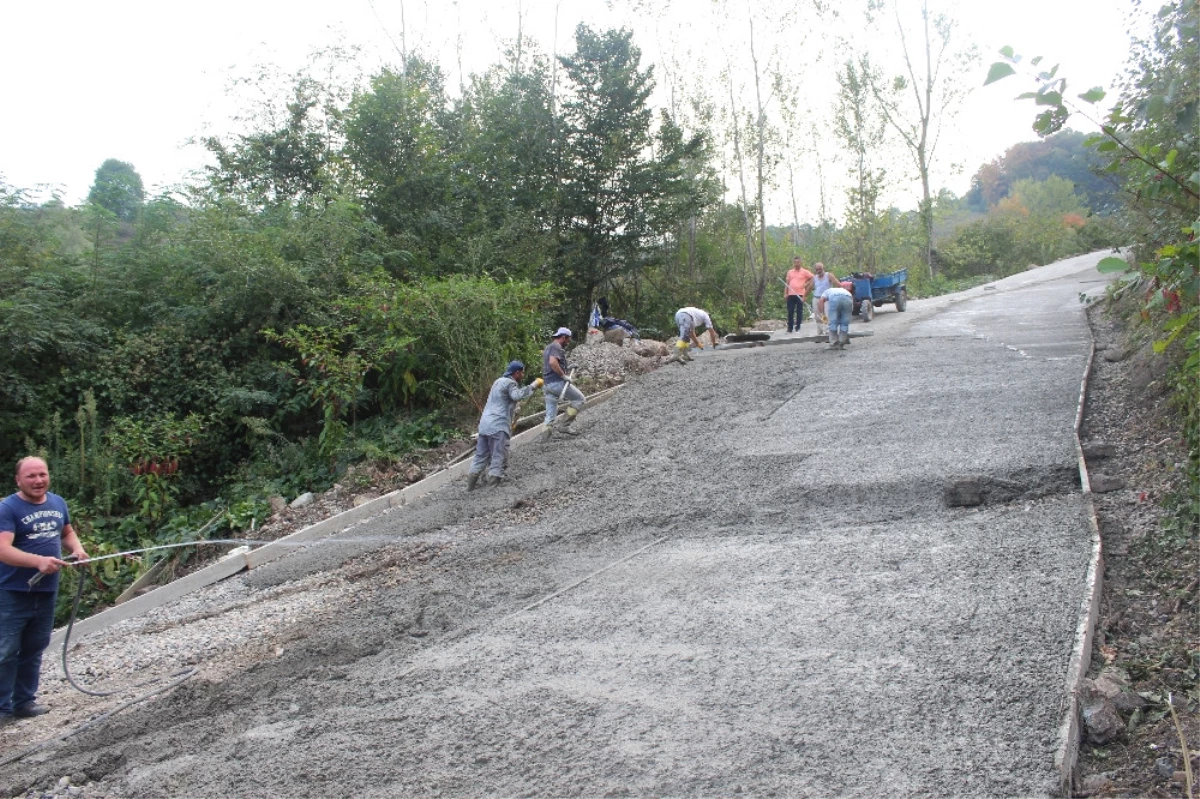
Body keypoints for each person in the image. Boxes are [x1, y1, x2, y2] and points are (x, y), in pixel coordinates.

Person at [0, 457, 88, 723]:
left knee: (35, 646)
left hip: (46, 591)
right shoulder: (8, 508)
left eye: (42, 475)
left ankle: (24, 702)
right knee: (5, 650)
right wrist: (38, 561)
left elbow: (67, 532)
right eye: (31, 476)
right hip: (12, 592)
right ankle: (2, 709)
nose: (38, 481)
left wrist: (78, 549)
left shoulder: (57, 503)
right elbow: (3, 550)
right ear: (18, 480)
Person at [467, 362, 543, 489]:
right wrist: (534, 385)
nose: (523, 375)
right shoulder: (510, 383)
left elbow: (503, 402)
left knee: (480, 456)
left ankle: (470, 487)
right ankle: (493, 486)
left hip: (485, 425)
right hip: (498, 425)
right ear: (517, 373)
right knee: (498, 455)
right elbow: (517, 395)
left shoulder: (498, 381)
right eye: (522, 373)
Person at [542, 327, 586, 439]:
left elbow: (553, 364)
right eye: (568, 340)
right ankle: (564, 426)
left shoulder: (548, 347)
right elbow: (553, 362)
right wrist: (563, 376)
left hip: (548, 385)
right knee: (580, 399)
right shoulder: (556, 346)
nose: (568, 342)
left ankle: (544, 440)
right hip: (557, 383)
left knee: (550, 414)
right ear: (563, 337)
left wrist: (567, 368)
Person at [806, 263, 841, 336]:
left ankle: (828, 332)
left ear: (823, 268)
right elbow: (809, 288)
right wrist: (804, 296)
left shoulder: (829, 275)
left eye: (820, 269)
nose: (819, 271)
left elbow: (838, 284)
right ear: (815, 270)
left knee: (826, 316)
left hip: (826, 299)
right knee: (818, 317)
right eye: (817, 270)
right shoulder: (814, 278)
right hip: (817, 298)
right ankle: (820, 333)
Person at [784, 257, 813, 333]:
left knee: (799, 311)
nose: (797, 263)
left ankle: (798, 327)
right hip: (791, 294)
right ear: (793, 263)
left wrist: (806, 284)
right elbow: (786, 283)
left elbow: (813, 277)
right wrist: (785, 293)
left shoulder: (804, 272)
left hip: (800, 294)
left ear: (801, 262)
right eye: (795, 262)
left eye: (798, 262)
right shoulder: (790, 272)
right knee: (790, 311)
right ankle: (790, 328)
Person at [822, 282, 854, 349]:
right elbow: (851, 299)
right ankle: (841, 343)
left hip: (834, 298)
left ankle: (833, 343)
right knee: (844, 323)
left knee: (833, 322)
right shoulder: (844, 290)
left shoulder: (826, 292)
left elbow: (821, 301)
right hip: (848, 298)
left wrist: (822, 313)